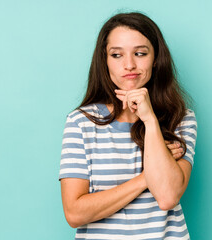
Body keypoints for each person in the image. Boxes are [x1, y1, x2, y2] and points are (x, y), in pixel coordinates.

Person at [59, 12, 197, 240]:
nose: (129, 64)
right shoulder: (81, 122)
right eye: (116, 55)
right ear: (104, 61)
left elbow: (168, 196)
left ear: (156, 58)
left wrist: (150, 120)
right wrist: (146, 177)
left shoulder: (181, 118)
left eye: (140, 53)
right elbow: (74, 213)